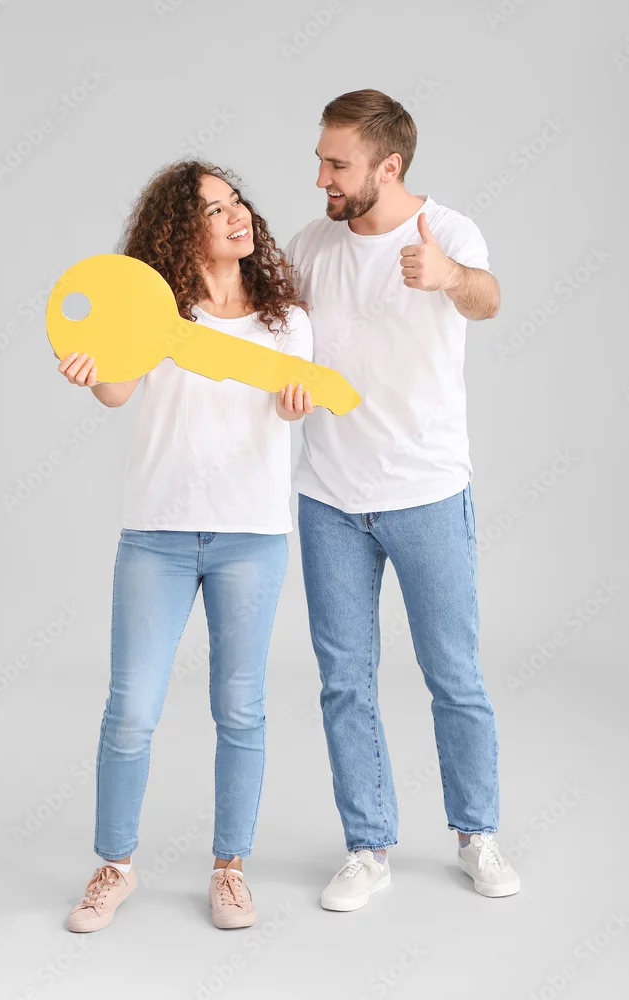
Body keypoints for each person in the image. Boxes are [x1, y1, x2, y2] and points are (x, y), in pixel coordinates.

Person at [57, 159, 314, 932]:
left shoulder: (284, 322)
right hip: (157, 535)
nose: (237, 216)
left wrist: (295, 404)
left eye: (237, 202)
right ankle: (114, 867)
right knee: (131, 710)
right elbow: (116, 390)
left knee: (240, 708)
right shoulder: (155, 313)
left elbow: (294, 406)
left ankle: (230, 870)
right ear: (179, 230)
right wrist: (90, 371)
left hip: (251, 536)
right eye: (214, 209)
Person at [284, 89, 520, 908]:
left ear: (388, 166)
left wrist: (448, 275)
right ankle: (367, 847)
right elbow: (278, 339)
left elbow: (487, 298)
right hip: (328, 498)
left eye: (336, 163)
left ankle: (476, 835)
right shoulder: (310, 244)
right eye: (320, 160)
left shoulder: (446, 231)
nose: (321, 177)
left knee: (453, 674)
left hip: (426, 493)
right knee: (344, 682)